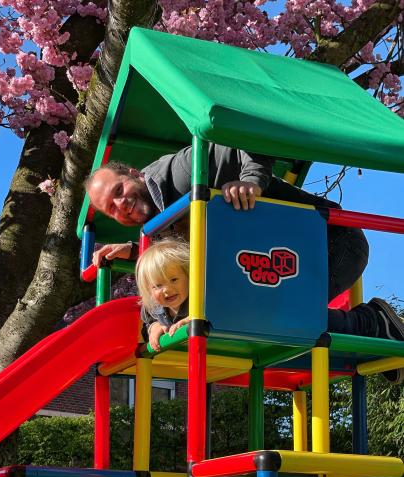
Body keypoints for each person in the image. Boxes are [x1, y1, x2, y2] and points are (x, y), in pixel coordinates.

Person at [86, 144, 404, 382]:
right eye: (110, 209)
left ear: (133, 173)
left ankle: (372, 323)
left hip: (331, 240)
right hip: (279, 257)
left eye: (118, 190)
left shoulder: (182, 172)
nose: (120, 204)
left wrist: (251, 181)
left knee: (271, 317)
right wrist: (136, 254)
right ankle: (376, 334)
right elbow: (169, 272)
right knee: (248, 315)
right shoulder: (158, 226)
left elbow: (242, 141)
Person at [136, 239, 190, 351]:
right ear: (149, 289)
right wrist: (154, 327)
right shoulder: (153, 306)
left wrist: (193, 319)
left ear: (189, 276)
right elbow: (148, 321)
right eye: (158, 285)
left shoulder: (199, 300)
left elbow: (216, 315)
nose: (166, 290)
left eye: (174, 279)